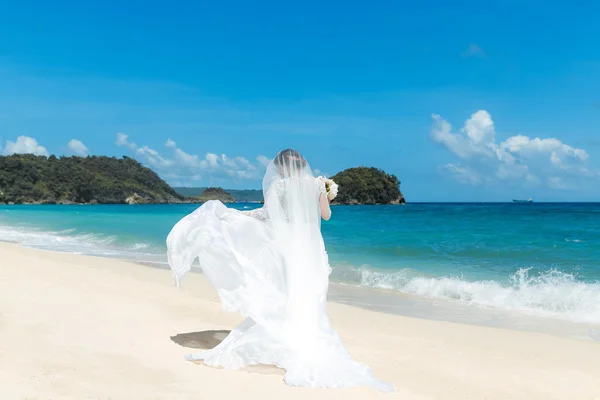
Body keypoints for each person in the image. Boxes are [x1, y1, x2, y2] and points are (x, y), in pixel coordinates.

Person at [166, 149, 393, 391]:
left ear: (282, 168)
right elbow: (326, 216)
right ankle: (306, 339)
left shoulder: (279, 187)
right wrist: (323, 195)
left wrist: (235, 216)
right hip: (312, 249)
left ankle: (286, 338)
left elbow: (267, 215)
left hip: (287, 247)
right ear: (303, 165)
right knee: (310, 294)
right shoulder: (316, 184)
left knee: (287, 292)